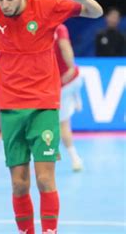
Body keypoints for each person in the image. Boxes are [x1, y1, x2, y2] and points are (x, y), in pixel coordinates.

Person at [0, 0, 103, 233]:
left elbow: (95, 12)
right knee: (19, 183)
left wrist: (84, 0)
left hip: (44, 105)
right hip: (9, 106)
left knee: (44, 179)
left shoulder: (47, 6)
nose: (4, 4)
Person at [54, 24, 84, 172]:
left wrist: (70, 67)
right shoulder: (60, 27)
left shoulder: (57, 28)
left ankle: (75, 159)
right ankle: (76, 99)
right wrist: (72, 67)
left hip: (63, 83)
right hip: (72, 79)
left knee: (62, 124)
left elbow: (65, 46)